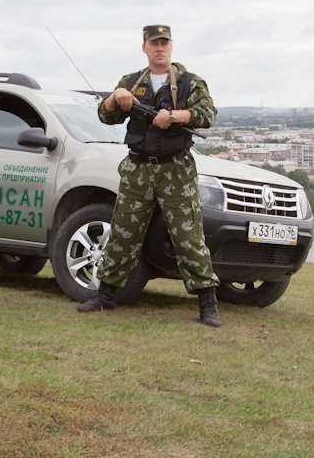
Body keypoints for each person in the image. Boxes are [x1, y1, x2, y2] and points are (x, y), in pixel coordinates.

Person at [78, 25, 221, 327]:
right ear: (144, 46)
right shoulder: (131, 82)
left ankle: (208, 303)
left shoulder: (188, 82)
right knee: (123, 233)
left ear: (171, 46)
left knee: (189, 237)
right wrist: (116, 98)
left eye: (164, 43)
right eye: (154, 43)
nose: (160, 48)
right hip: (138, 167)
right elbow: (106, 116)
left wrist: (175, 117)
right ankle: (105, 296)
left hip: (175, 169)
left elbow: (207, 114)